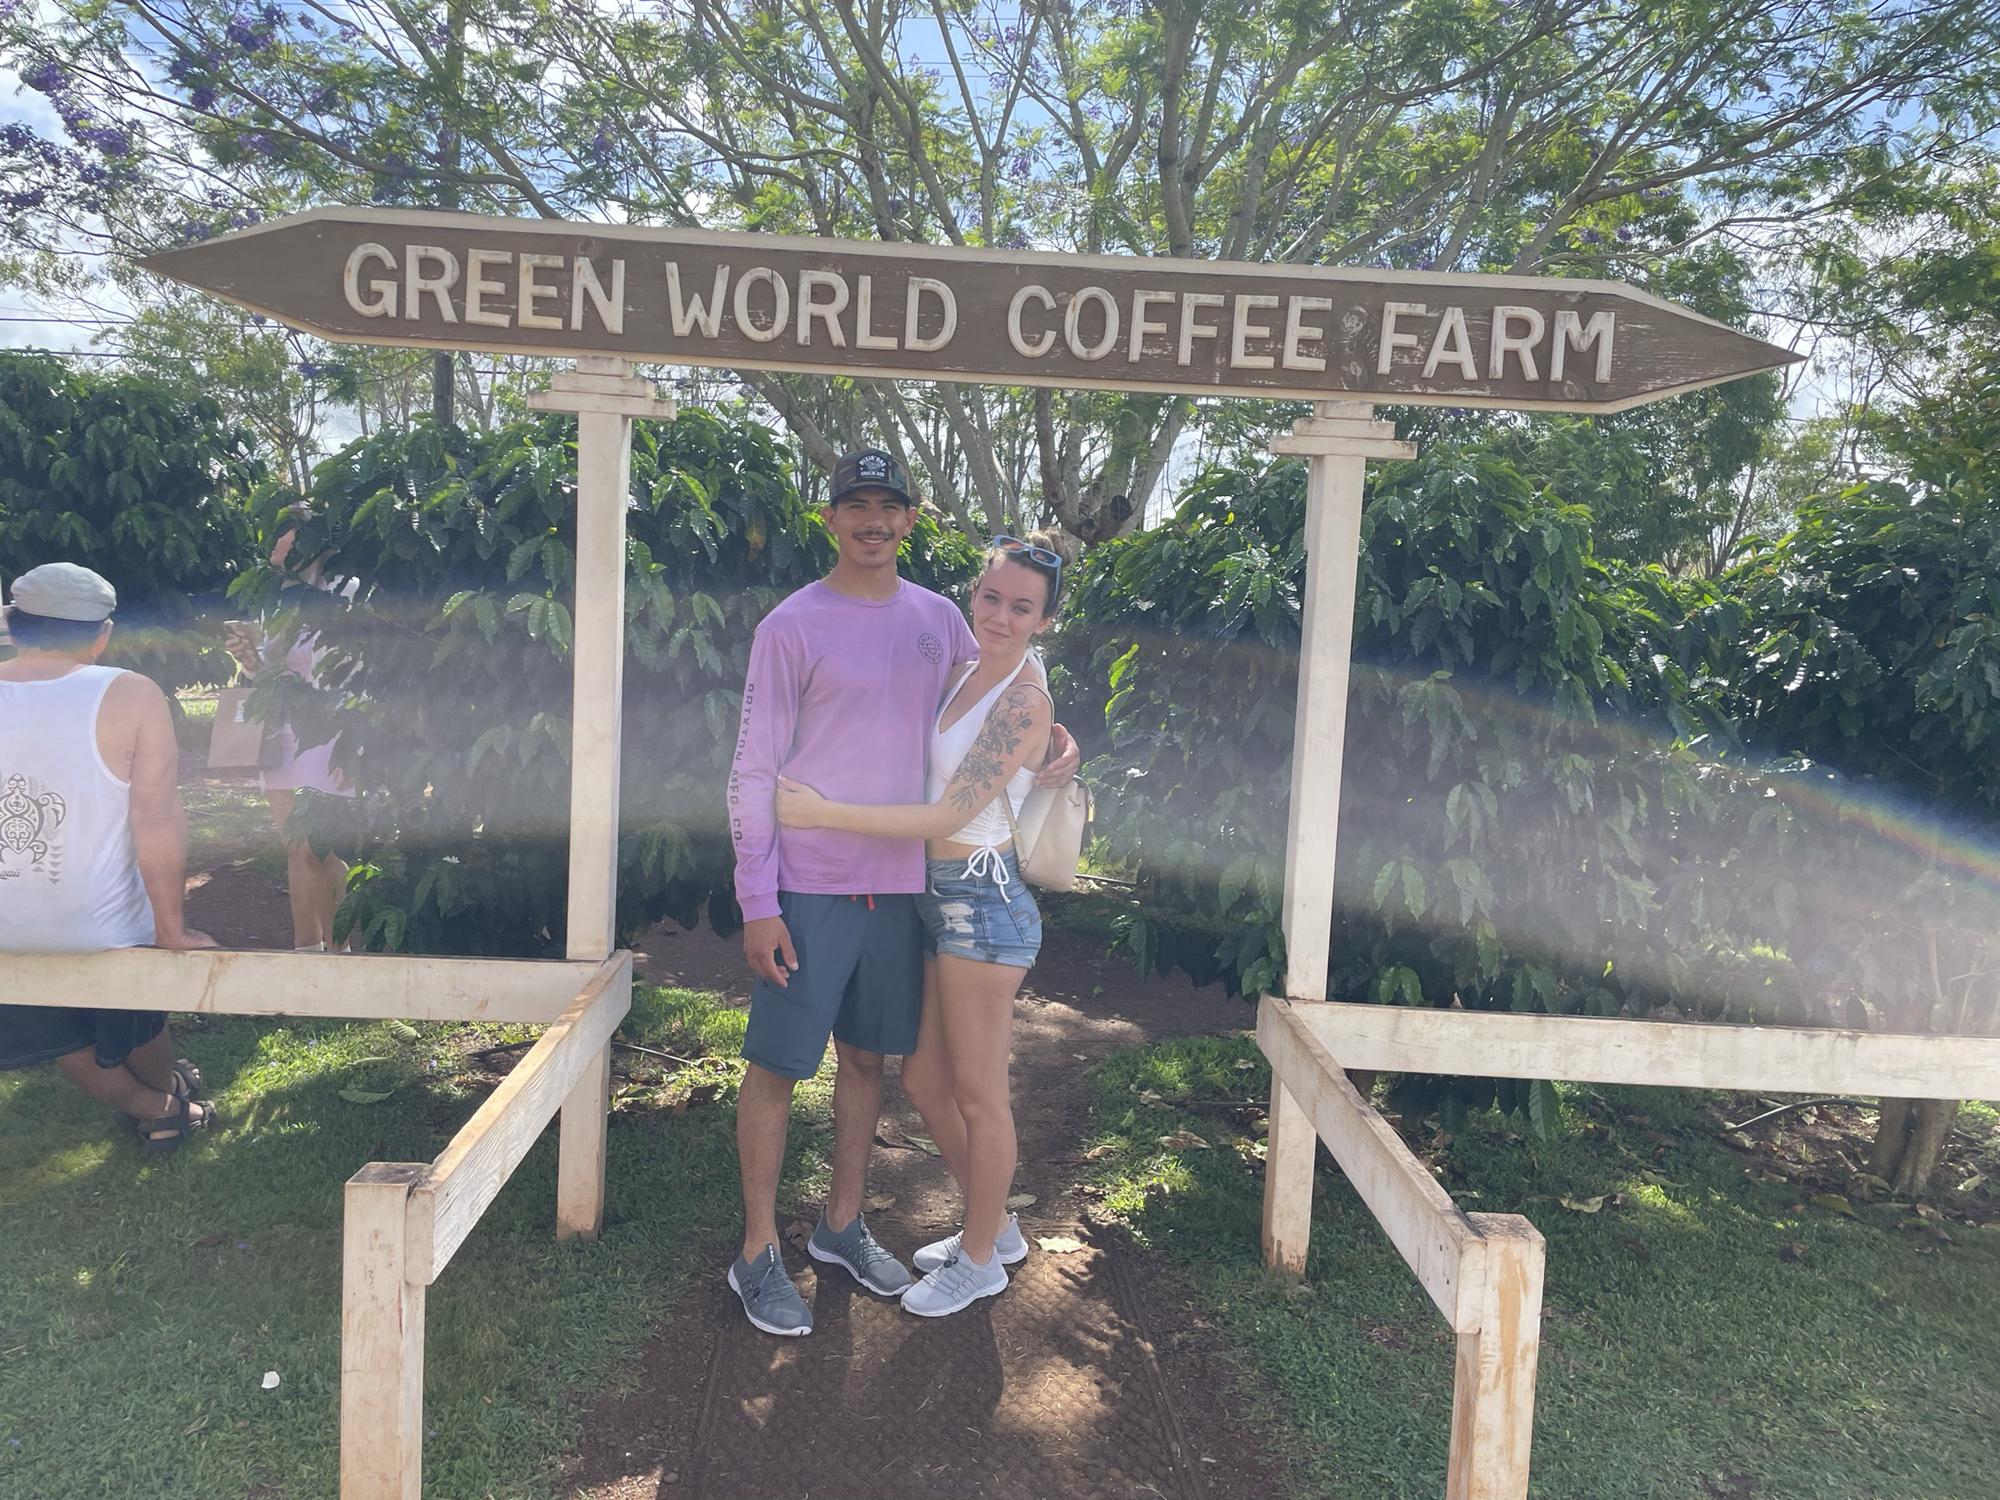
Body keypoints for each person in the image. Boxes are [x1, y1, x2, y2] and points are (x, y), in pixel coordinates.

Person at [726, 449, 1077, 1337]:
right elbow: (752, 767)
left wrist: (1057, 747)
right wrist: (756, 898)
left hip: (919, 894)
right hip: (812, 888)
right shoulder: (793, 625)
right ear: (833, 516)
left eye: (890, 506)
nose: (874, 520)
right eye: (858, 505)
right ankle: (759, 1252)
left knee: (875, 1066)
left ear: (911, 520)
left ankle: (853, 1229)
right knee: (787, 1070)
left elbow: (1001, 717)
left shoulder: (940, 622)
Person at [0, 562, 219, 1153]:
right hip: (99, 922)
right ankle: (165, 1104)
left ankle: (157, 1104)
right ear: (102, 633)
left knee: (55, 1030)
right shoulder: (130, 693)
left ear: (14, 627)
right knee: (138, 1008)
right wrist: (171, 929)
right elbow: (156, 817)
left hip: (3, 927)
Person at [225, 509, 356, 952]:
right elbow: (264, 674)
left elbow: (354, 670)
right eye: (277, 540)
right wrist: (247, 655)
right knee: (296, 848)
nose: (279, 550)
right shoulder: (270, 597)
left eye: (289, 540)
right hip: (280, 736)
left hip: (332, 734)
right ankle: (306, 951)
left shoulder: (347, 592)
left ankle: (339, 949)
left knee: (324, 848)